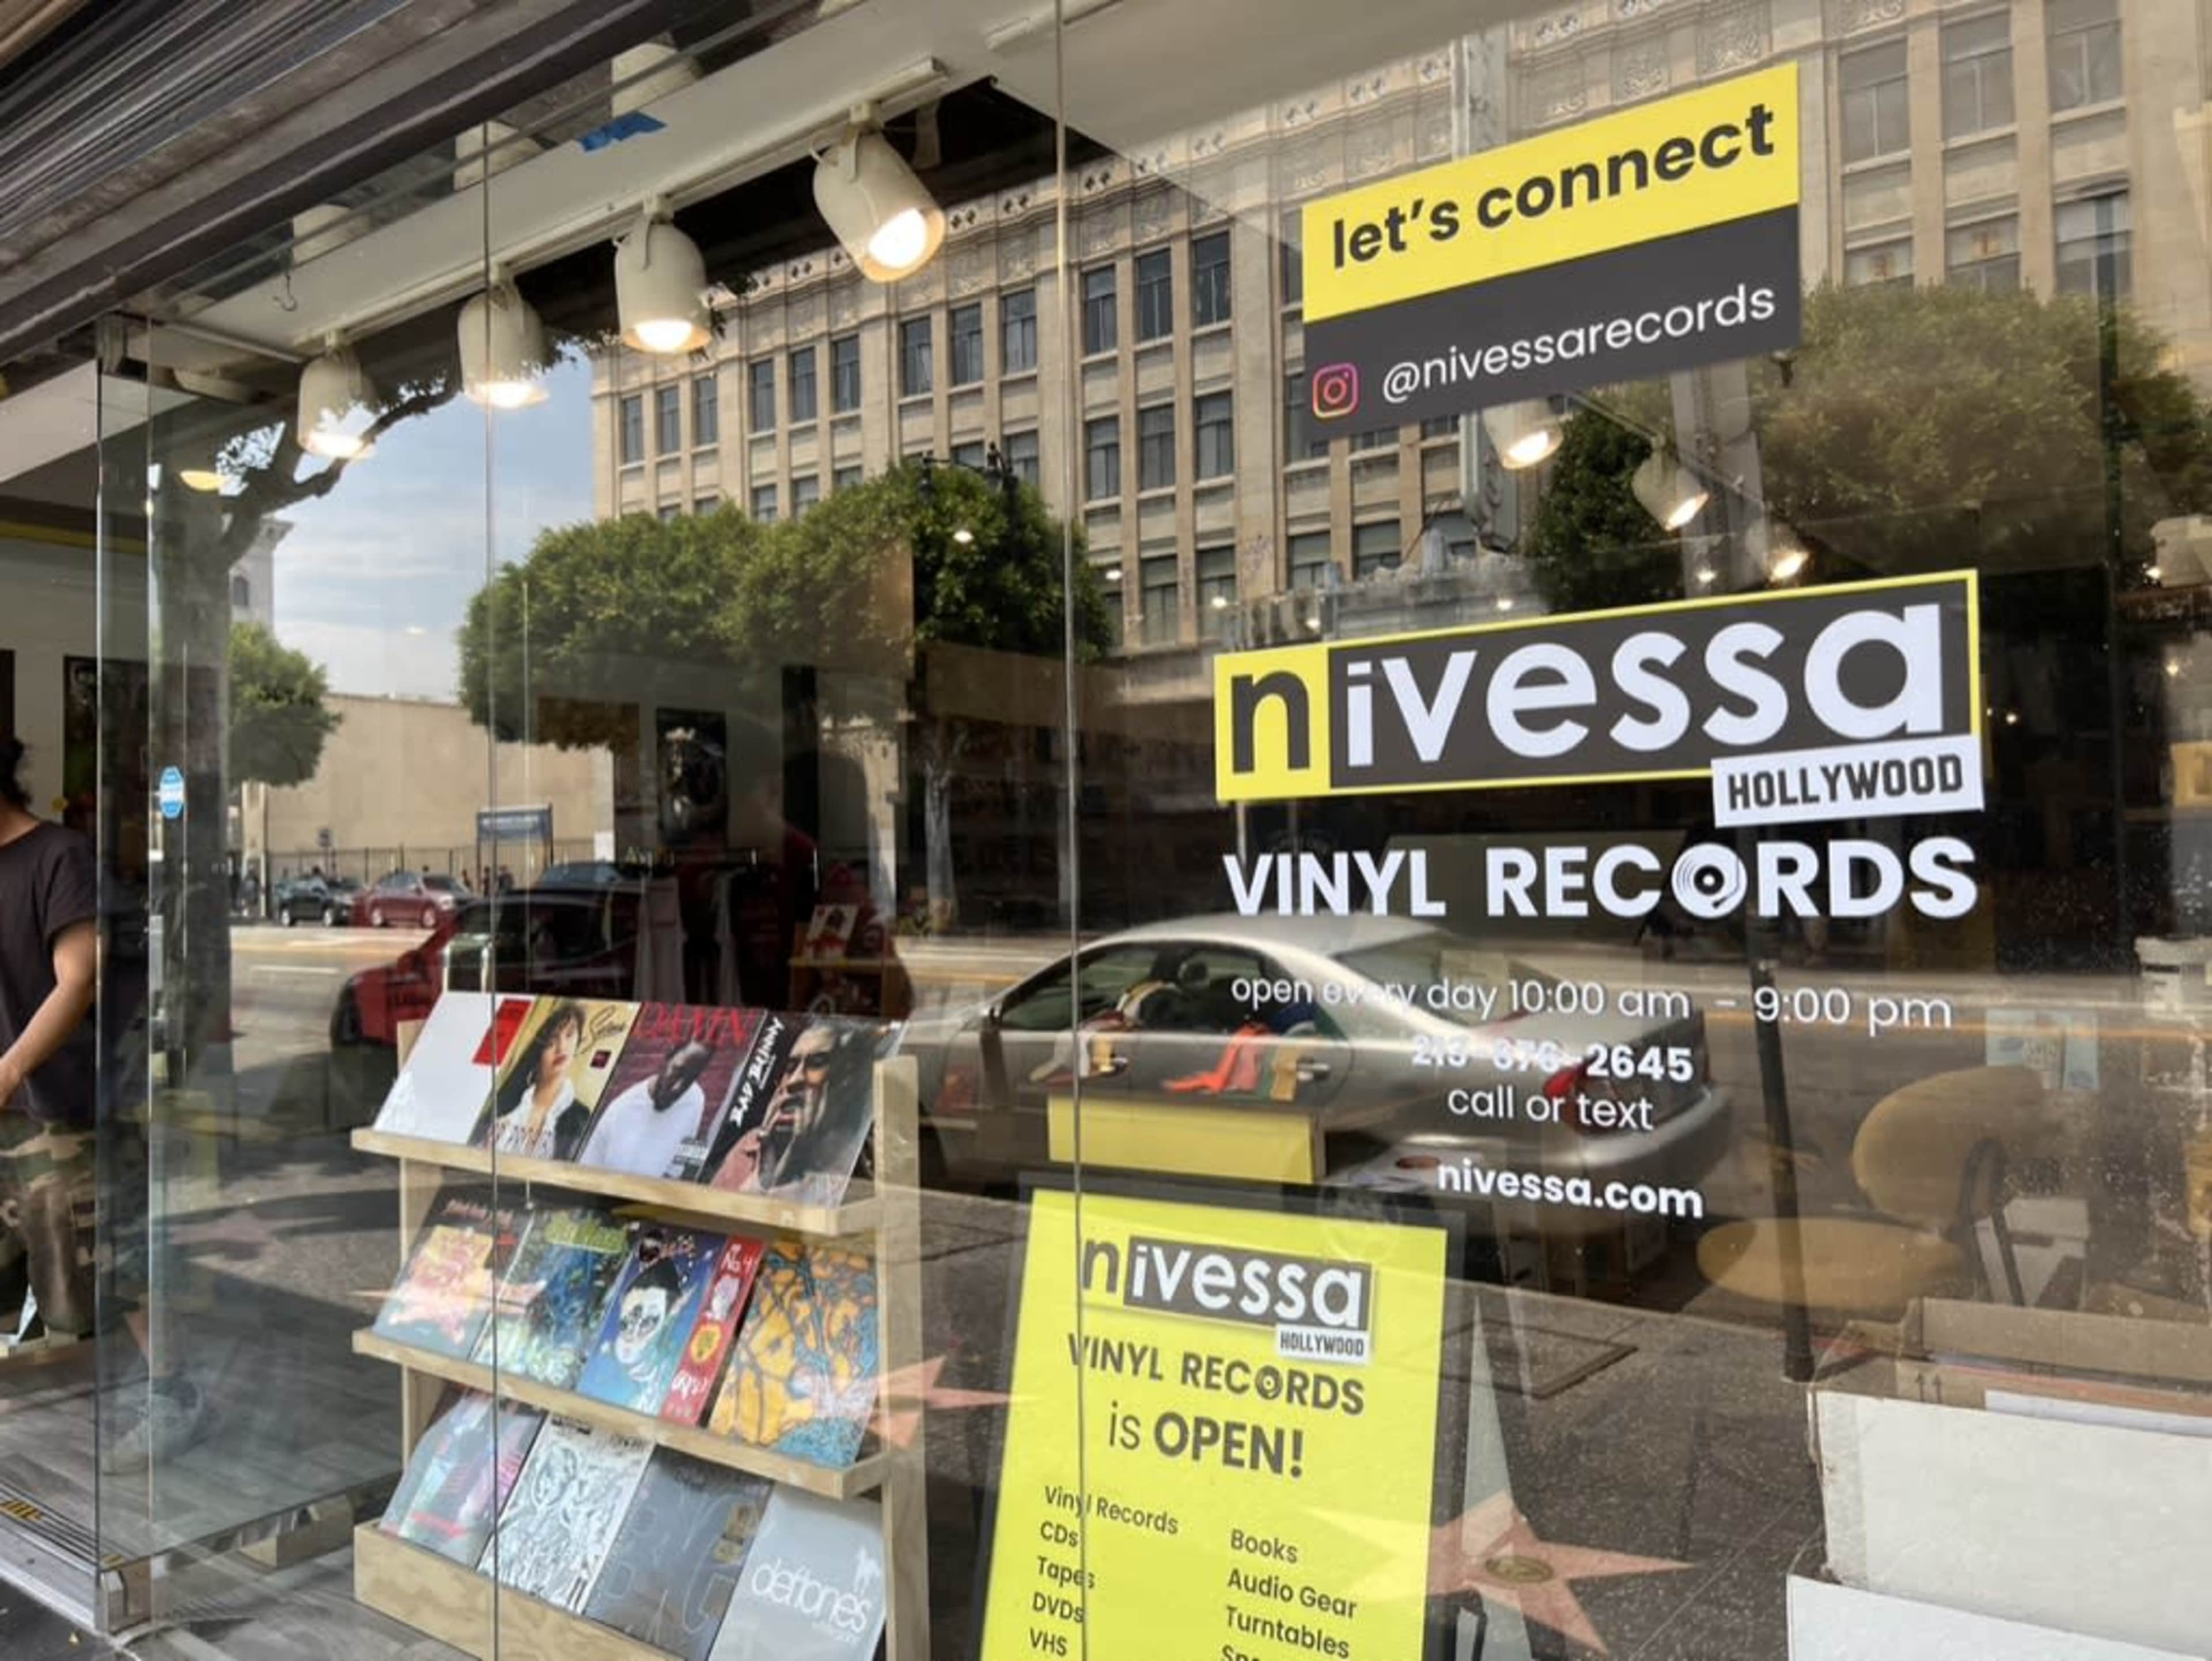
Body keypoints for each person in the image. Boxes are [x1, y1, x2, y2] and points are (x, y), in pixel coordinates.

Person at [0, 735, 101, 1352]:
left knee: (75, 1303)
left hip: (47, 1121)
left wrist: (10, 1069)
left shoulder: (58, 856)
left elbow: (79, 979)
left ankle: (161, 1405)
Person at [580, 1039, 714, 1179]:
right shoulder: (620, 1110)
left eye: (691, 1078)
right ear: (669, 1056)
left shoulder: (696, 1098)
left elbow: (685, 1153)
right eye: (677, 1071)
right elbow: (586, 1174)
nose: (678, 1088)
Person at [482, 1000, 592, 1159]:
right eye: (552, 1041)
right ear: (537, 1052)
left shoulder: (580, 1117)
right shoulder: (507, 1103)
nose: (562, 1047)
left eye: (569, 1035)